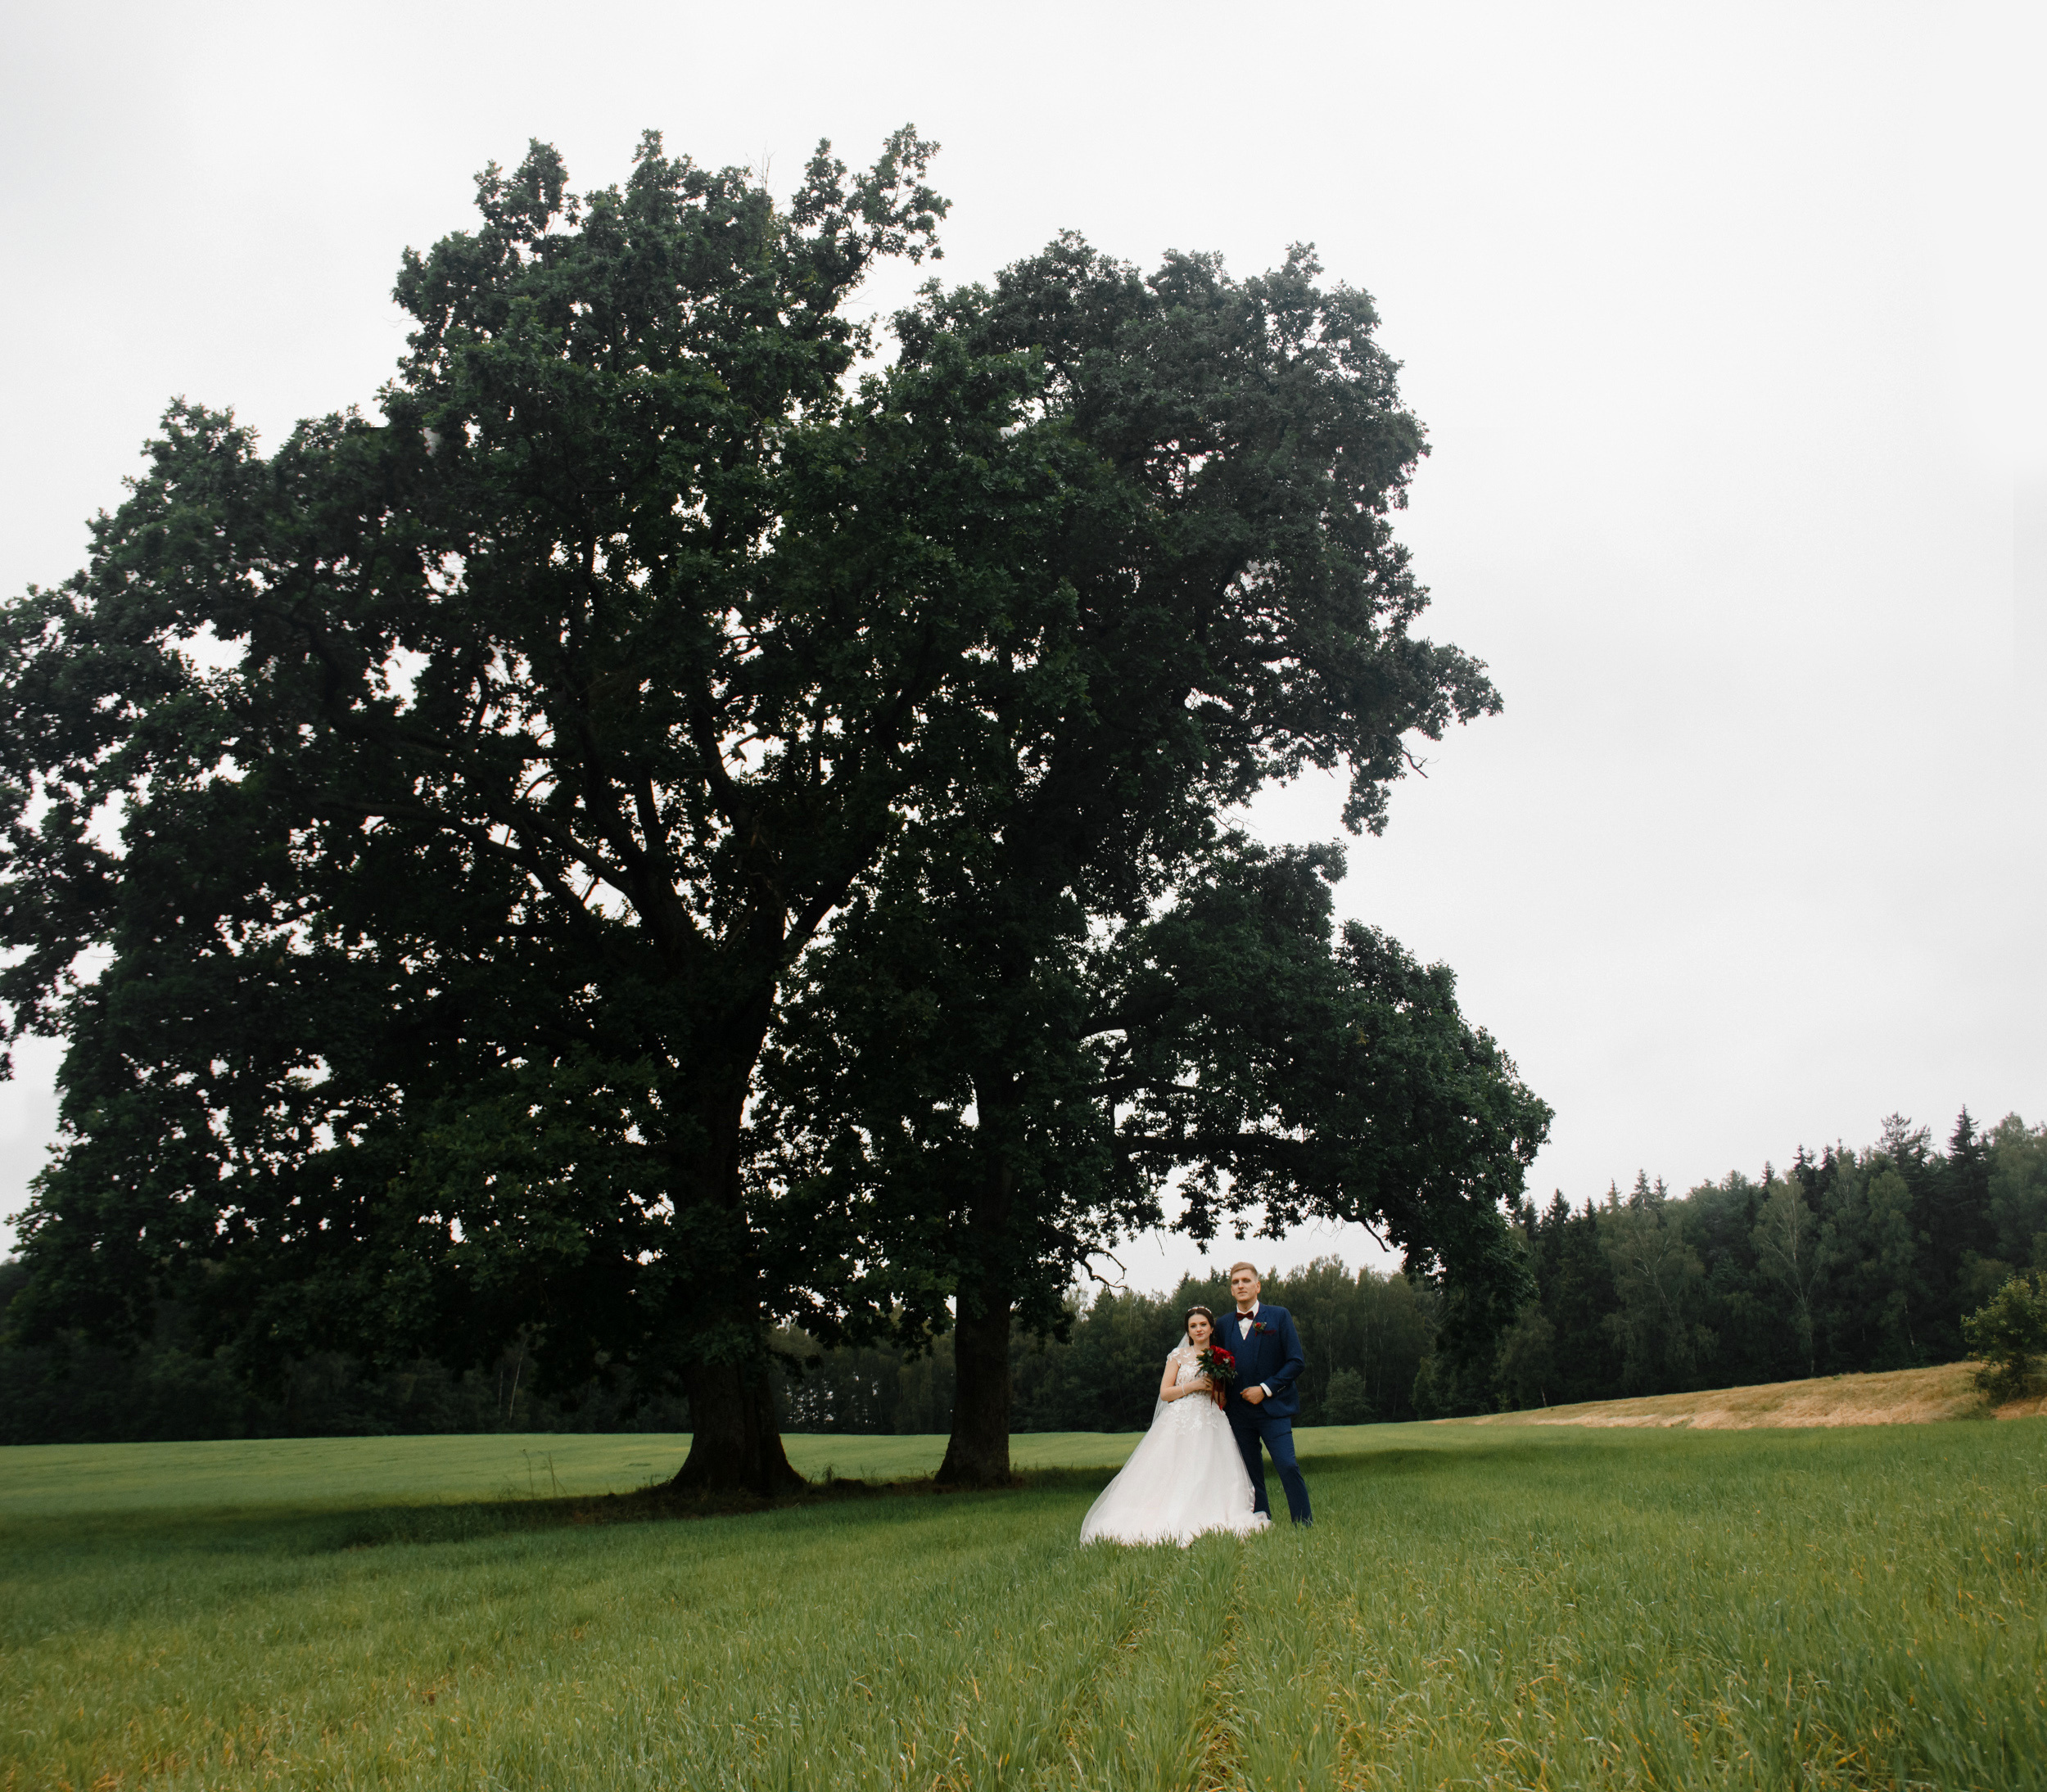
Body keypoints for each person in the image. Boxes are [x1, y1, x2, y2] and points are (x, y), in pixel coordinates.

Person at [1078, 1305, 1270, 1546]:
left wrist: (1216, 1388)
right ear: (1188, 1331)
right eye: (1193, 1326)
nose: (1199, 1330)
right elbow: (1165, 1393)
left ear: (1211, 1328)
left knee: (1209, 1467)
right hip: (1180, 1420)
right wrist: (1195, 1385)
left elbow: (1221, 1400)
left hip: (1211, 1420)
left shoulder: (1221, 1357)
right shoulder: (1178, 1356)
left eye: (1203, 1325)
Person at [1219, 1262, 1313, 1525]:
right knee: (1250, 1474)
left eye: (1246, 1280)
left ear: (1257, 1286)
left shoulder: (1279, 1316)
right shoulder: (1223, 1325)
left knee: (1287, 1465)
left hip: (1275, 1410)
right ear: (1231, 1289)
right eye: (1236, 1282)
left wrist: (1265, 1389)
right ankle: (1261, 1523)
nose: (1241, 1285)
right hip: (1238, 1414)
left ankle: (1304, 1524)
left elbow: (1296, 1362)